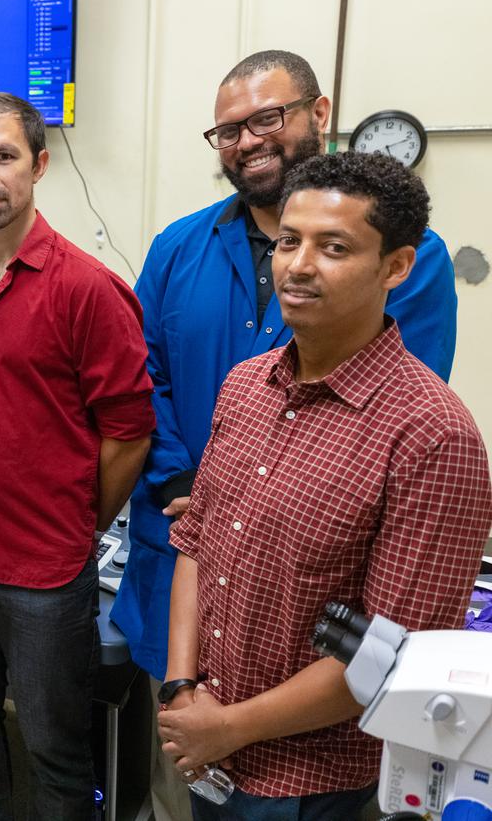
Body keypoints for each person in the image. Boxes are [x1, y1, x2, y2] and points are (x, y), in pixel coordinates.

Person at [110, 49, 459, 821]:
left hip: (306, 617)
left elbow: (390, 412)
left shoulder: (418, 271)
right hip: (186, 576)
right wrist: (177, 485)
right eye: (228, 129)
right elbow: (144, 377)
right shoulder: (179, 248)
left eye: (268, 117)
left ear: (318, 113)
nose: (248, 140)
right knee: (180, 781)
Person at [157, 151, 492, 821]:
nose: (298, 264)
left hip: (309, 781)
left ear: (395, 266)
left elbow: (391, 655)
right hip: (206, 738)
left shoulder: (432, 437)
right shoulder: (247, 385)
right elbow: (197, 542)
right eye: (289, 240)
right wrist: (181, 687)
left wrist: (230, 725)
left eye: (333, 247)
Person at [0, 90, 156, 819]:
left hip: (45, 573)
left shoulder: (89, 290)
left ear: (39, 165)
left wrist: (80, 521)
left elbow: (130, 431)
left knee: (55, 746)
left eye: (4, 157)